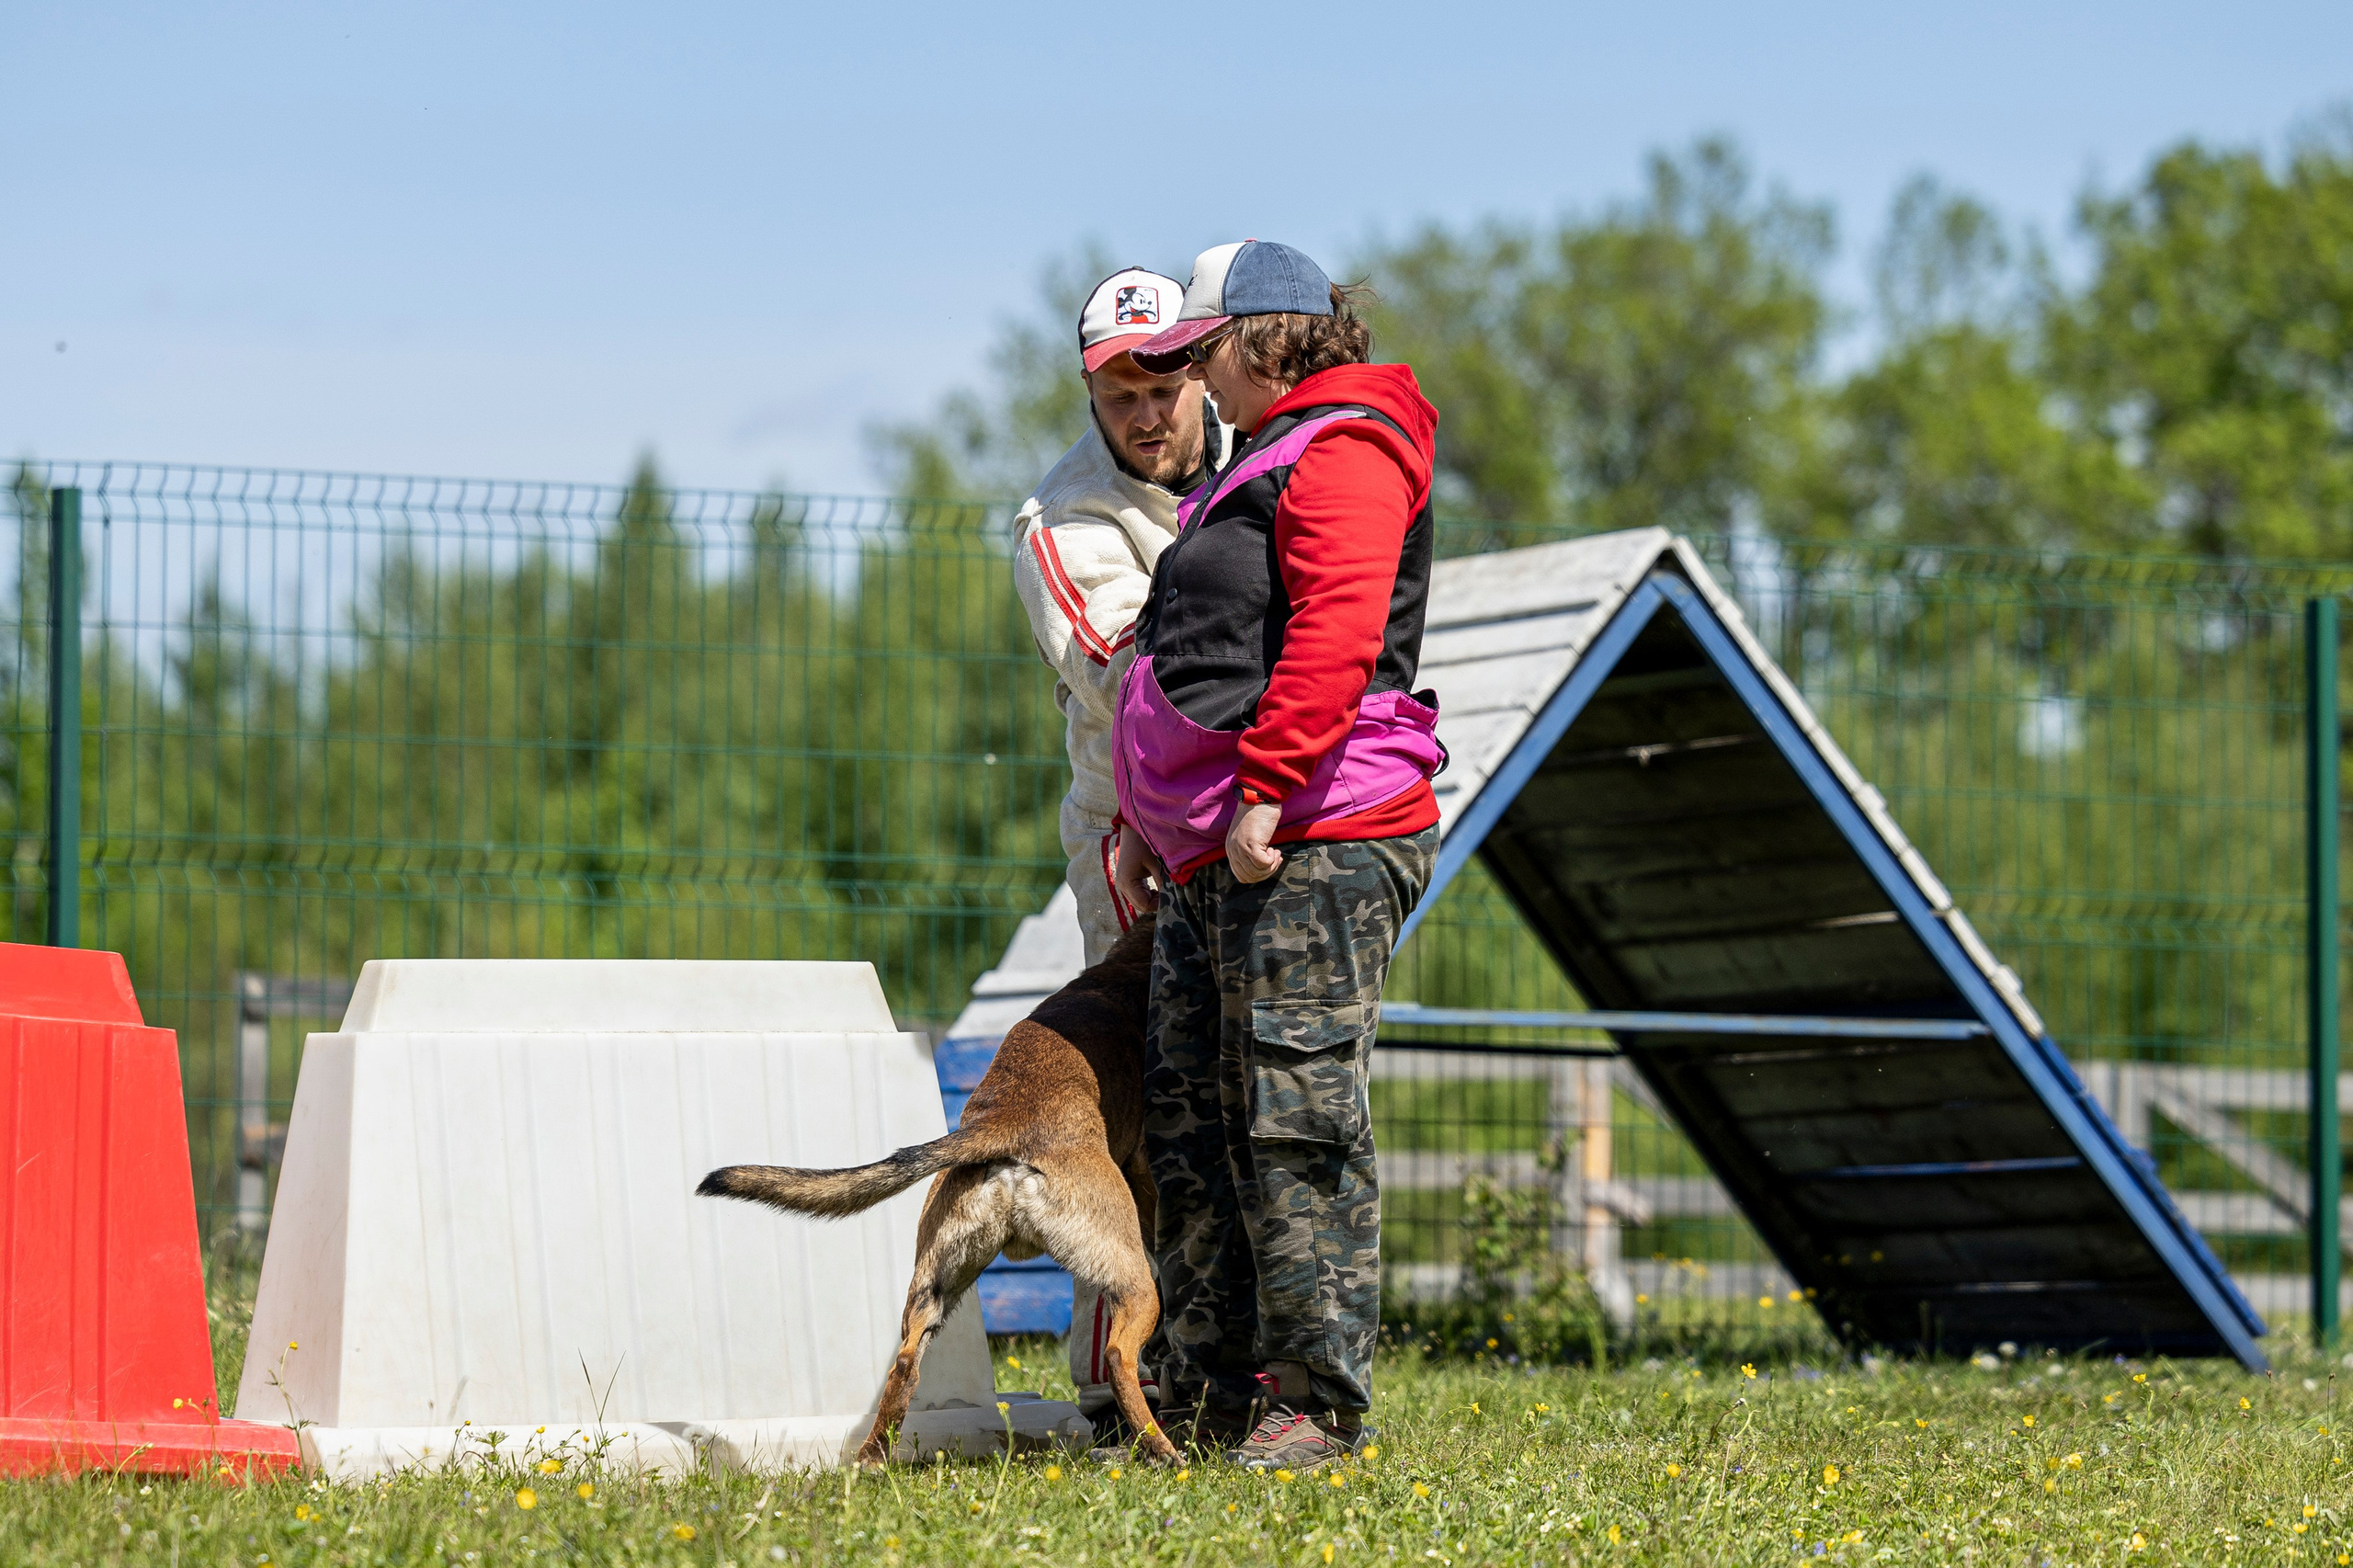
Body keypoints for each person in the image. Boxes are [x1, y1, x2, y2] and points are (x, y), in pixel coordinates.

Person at [1113, 241, 1442, 1471]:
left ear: (1257, 339)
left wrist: (1267, 790)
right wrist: (1143, 821)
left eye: (1200, 354)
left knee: (1293, 1116)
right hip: (1213, 842)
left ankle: (1312, 1402)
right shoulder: (1258, 456)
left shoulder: (1348, 445)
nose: (1193, 380)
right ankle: (1199, 1394)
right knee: (1192, 1120)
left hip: (1313, 831)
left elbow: (1337, 628)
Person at [1009, 265, 1226, 1426]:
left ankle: (1226, 1357)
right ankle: (1112, 1379)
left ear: (1202, 372)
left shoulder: (1259, 456)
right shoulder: (1063, 521)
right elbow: (1124, 668)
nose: (1147, 413)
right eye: (1119, 393)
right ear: (1090, 395)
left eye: (1164, 385)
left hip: (1253, 805)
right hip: (1130, 825)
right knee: (1138, 1099)